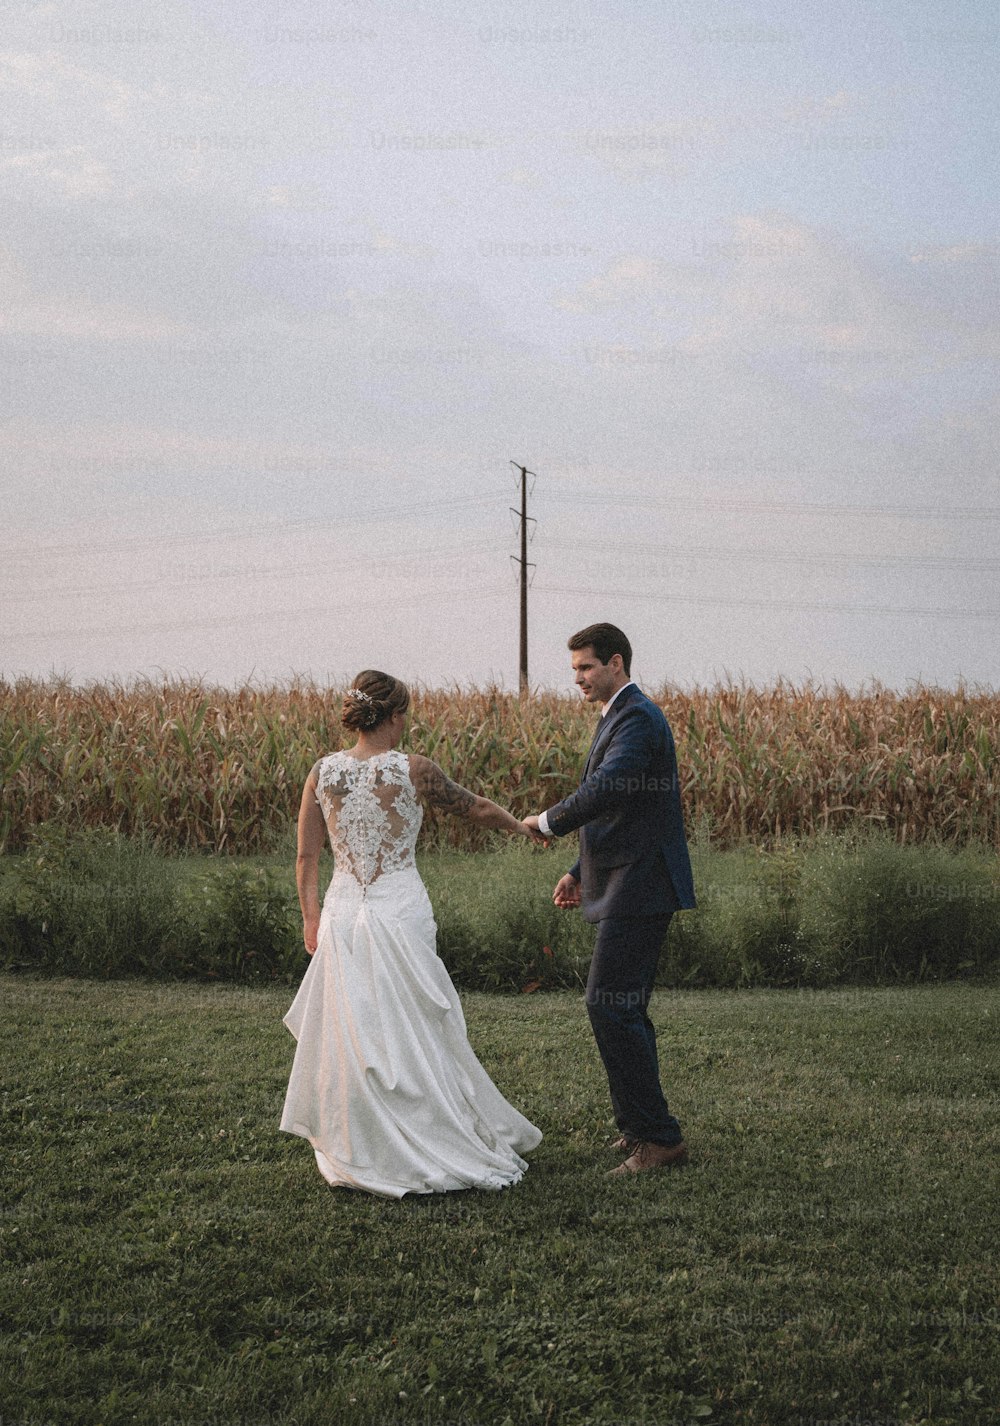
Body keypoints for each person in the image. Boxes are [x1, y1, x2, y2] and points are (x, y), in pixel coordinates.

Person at [280, 669, 543, 1198]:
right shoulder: (414, 769)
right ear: (395, 716)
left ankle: (361, 1140)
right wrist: (521, 826)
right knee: (418, 1020)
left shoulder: (321, 772)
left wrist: (311, 917)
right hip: (398, 907)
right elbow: (478, 810)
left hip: (342, 909)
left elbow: (307, 857)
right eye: (406, 716)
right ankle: (431, 1130)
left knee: (355, 1027)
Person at [522, 623, 696, 1176]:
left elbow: (610, 789)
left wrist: (548, 822)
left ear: (616, 663)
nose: (578, 679)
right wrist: (579, 869)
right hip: (627, 877)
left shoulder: (638, 717)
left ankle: (659, 1139)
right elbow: (624, 812)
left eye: (586, 667)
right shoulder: (620, 716)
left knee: (609, 1005)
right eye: (574, 669)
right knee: (622, 1008)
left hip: (642, 885)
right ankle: (639, 1127)